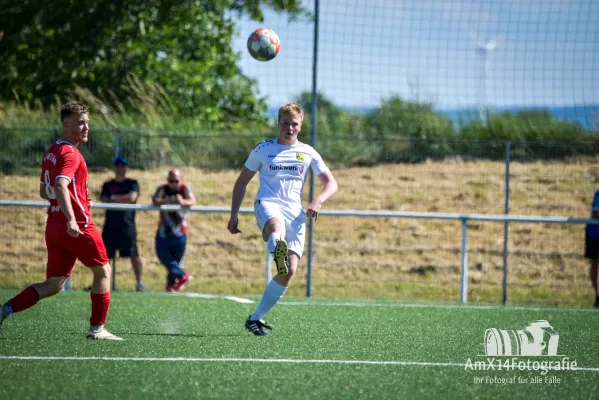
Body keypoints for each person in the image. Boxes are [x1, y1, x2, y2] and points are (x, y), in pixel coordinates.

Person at [0, 101, 122, 340]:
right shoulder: (70, 152)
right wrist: (72, 217)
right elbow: (59, 185)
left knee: (54, 284)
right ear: (66, 125)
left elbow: (45, 192)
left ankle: (4, 310)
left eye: (87, 122)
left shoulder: (51, 151)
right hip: (75, 225)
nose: (86, 127)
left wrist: (75, 199)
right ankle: (97, 328)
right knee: (104, 270)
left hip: (54, 225)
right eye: (80, 123)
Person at [227, 102, 338, 336]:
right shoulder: (263, 150)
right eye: (285, 123)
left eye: (294, 124)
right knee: (275, 226)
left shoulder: (308, 152)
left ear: (300, 126)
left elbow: (331, 182)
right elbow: (241, 182)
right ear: (278, 124)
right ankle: (276, 244)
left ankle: (255, 318)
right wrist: (234, 215)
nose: (289, 128)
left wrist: (318, 201)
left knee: (289, 271)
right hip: (267, 204)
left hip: (295, 213)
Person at [100, 156, 145, 292]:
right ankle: (104, 283)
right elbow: (104, 199)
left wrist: (114, 198)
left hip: (127, 226)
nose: (120, 168)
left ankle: (139, 283)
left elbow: (132, 198)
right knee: (106, 256)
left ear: (127, 167)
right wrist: (120, 199)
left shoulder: (132, 183)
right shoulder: (108, 185)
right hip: (110, 226)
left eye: (123, 165)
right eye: (117, 165)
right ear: (114, 168)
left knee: (133, 255)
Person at [152, 169, 196, 292]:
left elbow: (192, 201)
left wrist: (182, 201)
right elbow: (155, 200)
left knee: (175, 262)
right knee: (164, 257)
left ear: (180, 180)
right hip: (163, 232)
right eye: (171, 181)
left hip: (180, 233)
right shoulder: (163, 189)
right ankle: (183, 276)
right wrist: (168, 201)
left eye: (176, 181)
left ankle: (171, 286)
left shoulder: (185, 189)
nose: (173, 183)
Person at [584, 189, 599, 308]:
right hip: (594, 233)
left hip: (593, 233)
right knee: (594, 264)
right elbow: (595, 214)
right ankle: (597, 296)